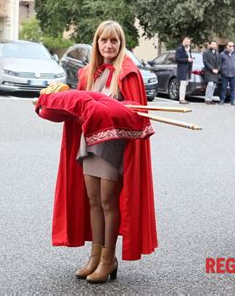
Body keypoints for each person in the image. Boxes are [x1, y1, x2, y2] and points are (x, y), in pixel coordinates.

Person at [49, 20, 157, 284]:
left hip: (114, 146)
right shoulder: (87, 73)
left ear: (121, 45)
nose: (108, 45)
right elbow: (80, 108)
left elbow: (137, 116)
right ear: (96, 43)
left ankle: (109, 259)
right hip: (89, 143)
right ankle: (95, 257)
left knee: (109, 202)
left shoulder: (129, 73)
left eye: (114, 41)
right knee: (93, 201)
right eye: (104, 40)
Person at [175, 36, 193, 104]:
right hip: (182, 70)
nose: (187, 43)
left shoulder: (189, 50)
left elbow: (189, 58)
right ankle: (181, 99)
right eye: (186, 42)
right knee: (182, 84)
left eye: (188, 42)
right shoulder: (179, 49)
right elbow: (177, 59)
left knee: (185, 84)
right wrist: (187, 60)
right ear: (183, 41)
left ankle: (183, 98)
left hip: (188, 70)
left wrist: (191, 59)